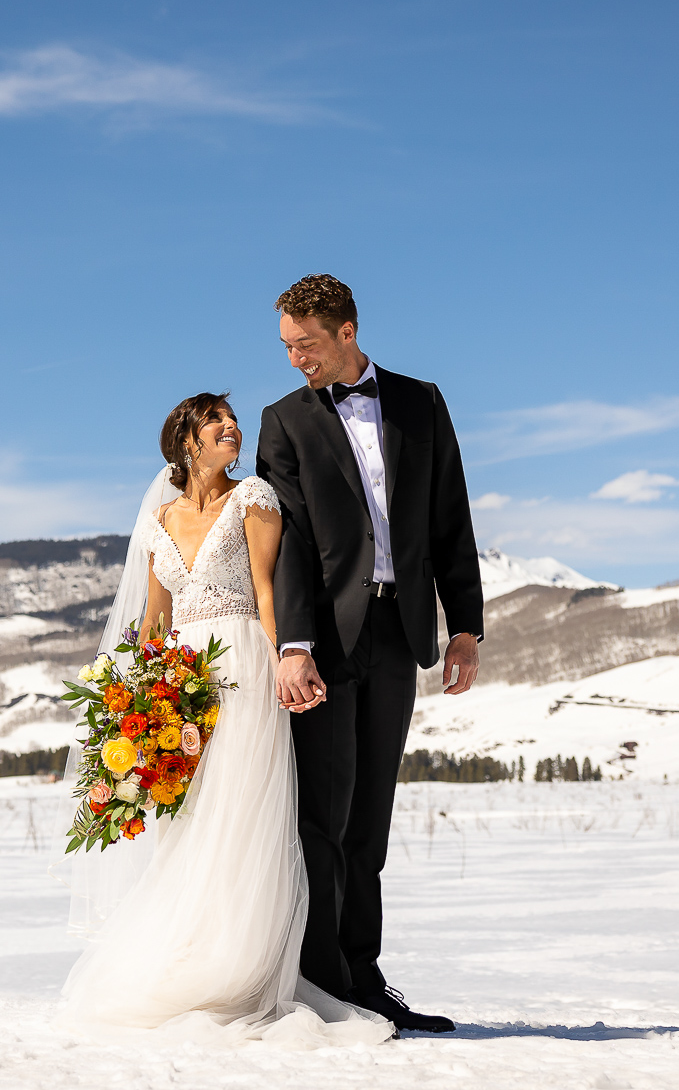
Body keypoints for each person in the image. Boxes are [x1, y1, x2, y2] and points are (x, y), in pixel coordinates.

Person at [57, 393, 393, 1048]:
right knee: (190, 821)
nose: (230, 428)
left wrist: (288, 667)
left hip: (242, 665)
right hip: (183, 681)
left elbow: (271, 592)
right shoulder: (159, 519)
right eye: (215, 420)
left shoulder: (255, 498)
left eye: (231, 419)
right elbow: (153, 621)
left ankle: (245, 968)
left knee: (244, 813)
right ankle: (189, 953)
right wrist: (137, 707)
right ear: (186, 439)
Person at [256, 273, 483, 1034]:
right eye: (286, 346)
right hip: (322, 641)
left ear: (346, 331)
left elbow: (450, 516)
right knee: (322, 816)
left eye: (306, 345)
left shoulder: (422, 403)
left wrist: (465, 625)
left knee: (370, 822)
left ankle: (365, 977)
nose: (295, 360)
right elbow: (284, 544)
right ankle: (323, 986)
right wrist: (293, 645)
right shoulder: (283, 421)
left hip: (401, 632)